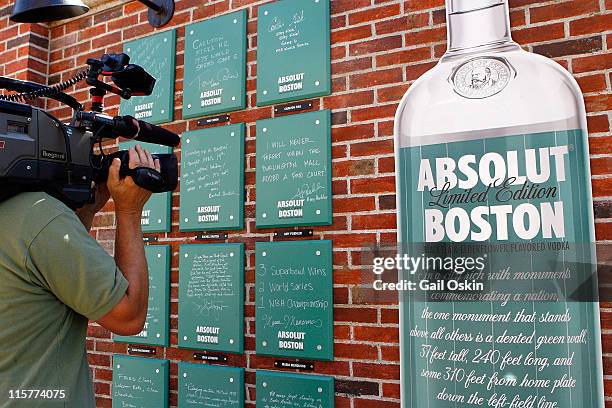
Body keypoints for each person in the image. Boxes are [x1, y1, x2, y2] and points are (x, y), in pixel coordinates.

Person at [0, 145, 158, 407]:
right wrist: (129, 211)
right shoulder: (39, 215)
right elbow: (129, 316)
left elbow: (50, 272)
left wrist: (85, 210)